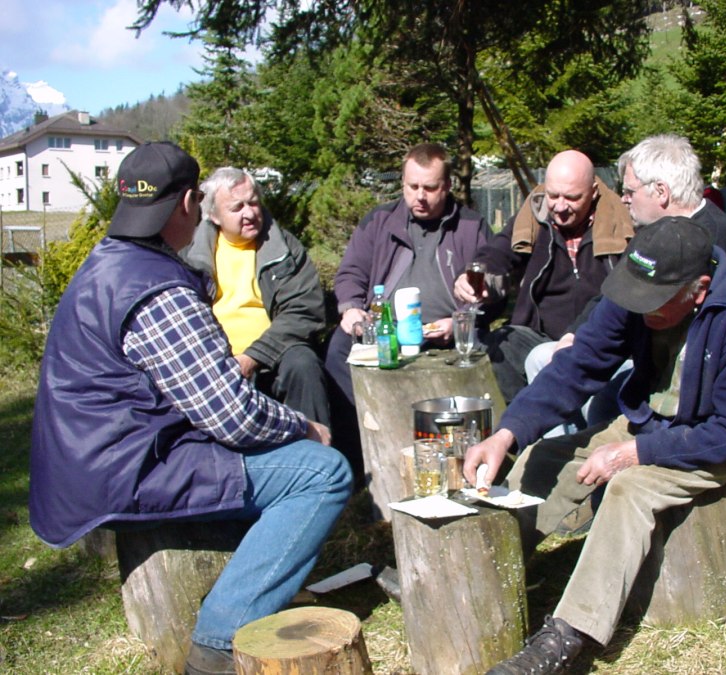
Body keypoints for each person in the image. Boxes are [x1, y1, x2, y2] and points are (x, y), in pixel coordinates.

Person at [28, 142, 353, 675]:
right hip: (124, 470)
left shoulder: (110, 261)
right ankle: (219, 643)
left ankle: (256, 576)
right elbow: (231, 415)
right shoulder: (159, 289)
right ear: (188, 203)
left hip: (91, 459)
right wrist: (304, 426)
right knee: (323, 472)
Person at [463, 216, 726, 674]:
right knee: (546, 457)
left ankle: (567, 637)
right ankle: (489, 571)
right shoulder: (639, 292)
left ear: (698, 290)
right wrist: (508, 432)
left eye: (652, 303)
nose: (638, 307)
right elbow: (578, 366)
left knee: (627, 490)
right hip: (649, 421)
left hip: (716, 442)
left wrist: (634, 455)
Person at [524, 134, 726, 430]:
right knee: (542, 358)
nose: (623, 199)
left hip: (687, 383)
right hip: (650, 358)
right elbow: (616, 295)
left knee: (603, 402)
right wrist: (575, 335)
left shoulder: (711, 242)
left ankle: (585, 449)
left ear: (661, 192)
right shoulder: (657, 235)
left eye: (629, 191)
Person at [324, 142, 493, 469]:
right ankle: (354, 458)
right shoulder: (380, 221)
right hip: (384, 328)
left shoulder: (471, 227)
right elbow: (351, 273)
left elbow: (490, 288)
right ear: (402, 183)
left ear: (447, 186)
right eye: (412, 186)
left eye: (430, 188)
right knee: (337, 350)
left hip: (443, 331)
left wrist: (460, 320)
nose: (420, 196)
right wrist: (351, 308)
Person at [453, 149, 634, 403]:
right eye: (553, 195)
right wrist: (477, 273)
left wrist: (577, 334)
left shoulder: (621, 223)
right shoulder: (534, 215)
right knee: (502, 344)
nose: (560, 207)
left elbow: (622, 288)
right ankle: (517, 420)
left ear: (593, 192)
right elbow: (500, 249)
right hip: (540, 335)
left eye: (572, 198)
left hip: (599, 335)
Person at [182, 167, 330, 426]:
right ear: (214, 216)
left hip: (276, 353)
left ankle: (317, 443)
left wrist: (253, 357)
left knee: (304, 364)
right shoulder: (189, 253)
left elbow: (304, 310)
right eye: (237, 207)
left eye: (253, 203)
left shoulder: (284, 247)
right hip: (212, 356)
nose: (249, 213)